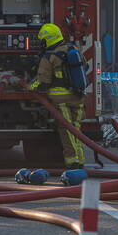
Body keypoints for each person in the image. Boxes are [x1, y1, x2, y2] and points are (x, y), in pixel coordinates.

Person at [28, 23, 85, 169]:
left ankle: (72, 162)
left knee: (66, 129)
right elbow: (85, 67)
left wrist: (28, 87)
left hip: (60, 100)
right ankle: (80, 159)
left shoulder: (49, 56)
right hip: (77, 97)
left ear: (47, 40)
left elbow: (43, 81)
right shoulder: (72, 49)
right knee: (76, 128)